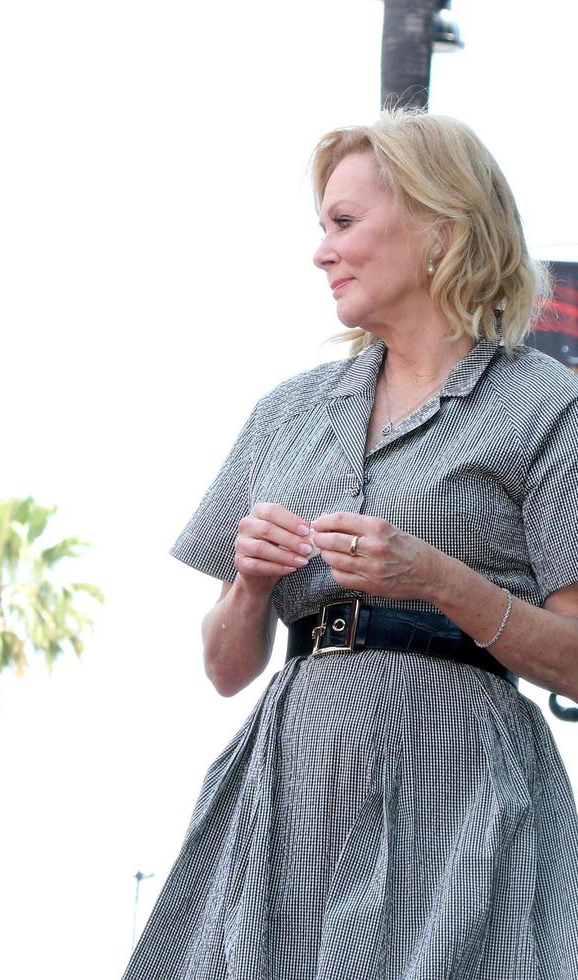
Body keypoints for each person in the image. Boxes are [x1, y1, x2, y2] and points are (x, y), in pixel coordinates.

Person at [125, 111, 578, 977]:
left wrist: (443, 580)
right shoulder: (287, 413)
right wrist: (249, 588)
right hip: (292, 783)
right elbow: (224, 670)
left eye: (345, 222)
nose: (321, 251)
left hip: (460, 785)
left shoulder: (547, 404)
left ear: (440, 227)